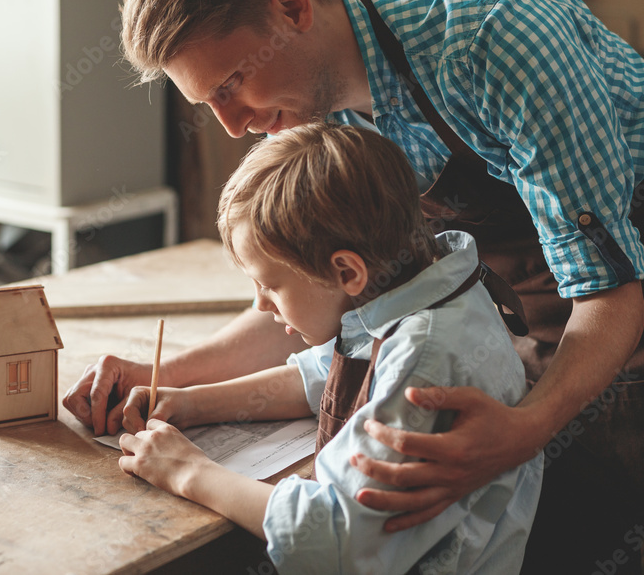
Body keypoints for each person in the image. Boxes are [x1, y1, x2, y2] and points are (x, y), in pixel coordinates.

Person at [63, 0, 644, 572]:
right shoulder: (309, 109)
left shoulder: (493, 38)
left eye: (233, 85)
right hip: (525, 322)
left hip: (639, 307)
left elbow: (610, 293)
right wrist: (166, 376)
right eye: (210, 103)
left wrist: (524, 430)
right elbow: (308, 294)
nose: (233, 125)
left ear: (291, 7)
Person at [118, 122, 543, 573]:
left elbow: (334, 540)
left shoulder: (424, 361)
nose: (260, 303)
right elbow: (325, 374)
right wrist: (189, 403)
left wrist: (189, 472)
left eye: (270, 285)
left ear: (346, 272)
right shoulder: (417, 285)